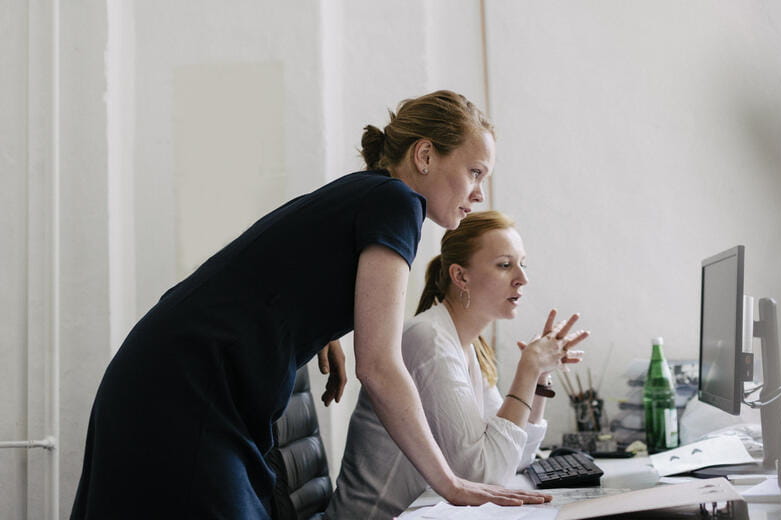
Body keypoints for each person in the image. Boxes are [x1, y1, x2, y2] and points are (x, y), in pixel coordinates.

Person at [70, 91, 581, 518]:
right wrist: (450, 482)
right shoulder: (398, 202)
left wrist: (324, 329)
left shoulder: (371, 195)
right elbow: (380, 366)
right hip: (187, 387)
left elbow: (281, 265)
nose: (478, 193)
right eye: (474, 171)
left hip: (175, 373)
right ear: (425, 156)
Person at [327, 211, 589, 519]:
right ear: (460, 276)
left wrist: (539, 379)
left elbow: (514, 459)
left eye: (523, 263)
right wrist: (527, 370)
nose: (522, 278)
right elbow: (482, 477)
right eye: (505, 265)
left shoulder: (467, 343)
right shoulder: (430, 341)